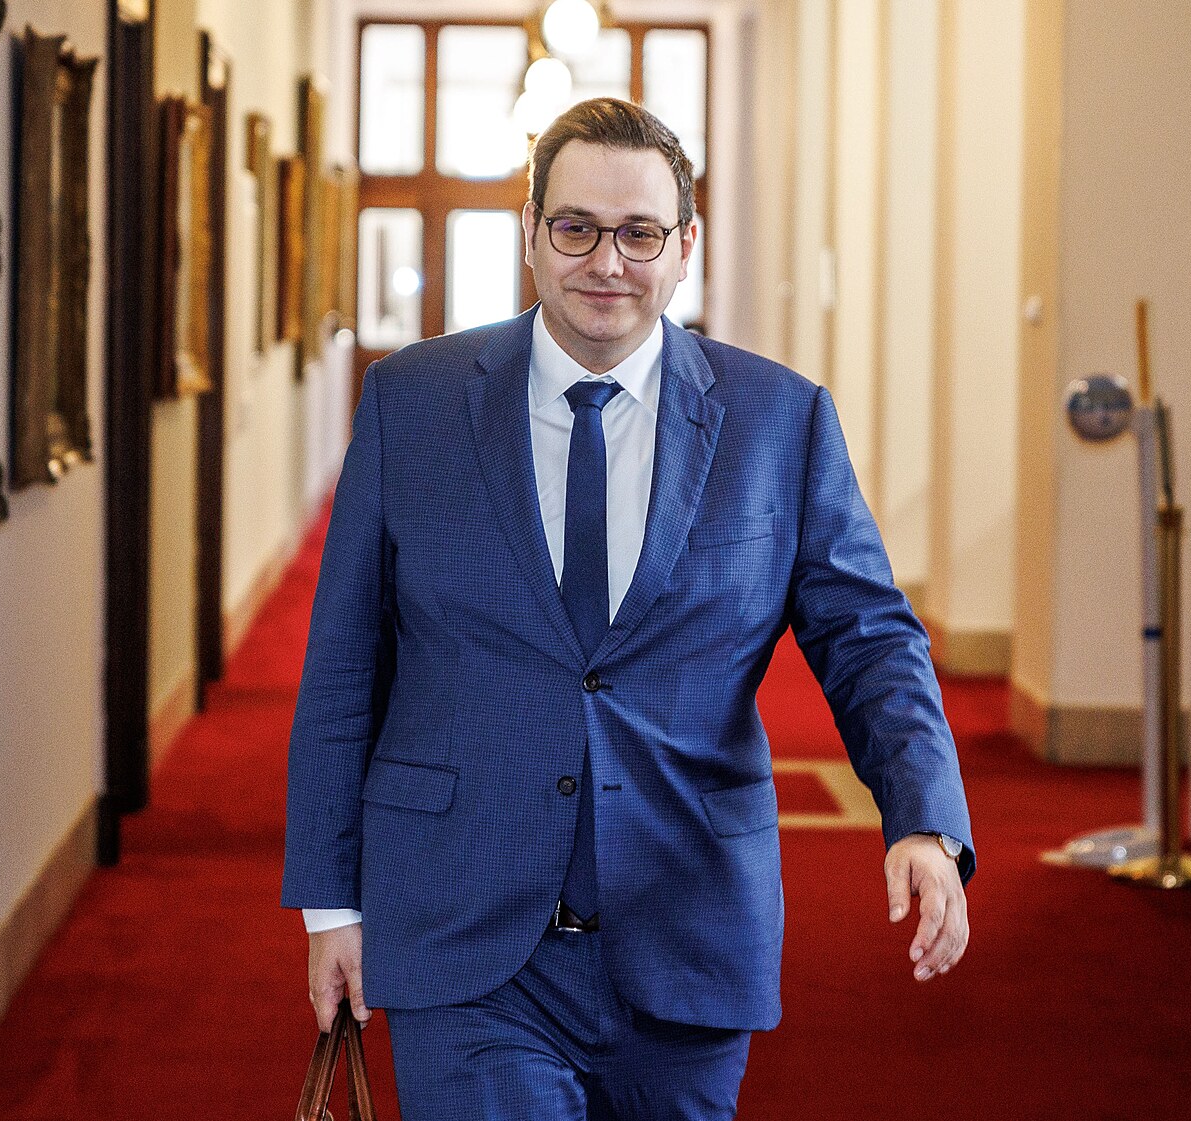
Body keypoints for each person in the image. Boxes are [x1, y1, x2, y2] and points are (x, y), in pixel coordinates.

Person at [280, 97, 973, 1121]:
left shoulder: (779, 420)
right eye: (576, 228)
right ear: (530, 231)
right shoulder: (411, 402)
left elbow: (869, 638)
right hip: (465, 927)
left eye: (640, 233)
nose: (606, 262)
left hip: (686, 925)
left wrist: (922, 814)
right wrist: (329, 901)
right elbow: (345, 664)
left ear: (686, 245)